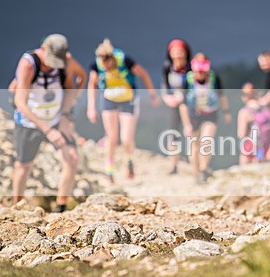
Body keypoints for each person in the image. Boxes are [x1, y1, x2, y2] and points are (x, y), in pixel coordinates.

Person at [11, 34, 79, 212]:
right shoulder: (28, 64)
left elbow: (74, 83)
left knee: (71, 158)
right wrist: (47, 129)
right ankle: (17, 207)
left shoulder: (67, 61)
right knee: (23, 166)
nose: (52, 65)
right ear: (43, 49)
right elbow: (21, 103)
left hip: (57, 119)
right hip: (29, 123)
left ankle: (60, 208)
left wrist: (65, 116)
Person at [87, 38, 160, 183]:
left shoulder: (125, 61)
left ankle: (129, 161)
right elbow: (92, 84)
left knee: (126, 138)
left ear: (112, 59)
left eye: (107, 63)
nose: (105, 66)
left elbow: (143, 74)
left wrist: (152, 94)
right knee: (111, 137)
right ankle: (109, 170)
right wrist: (91, 107)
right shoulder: (97, 65)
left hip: (128, 99)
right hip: (109, 99)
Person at [179, 53, 231, 183]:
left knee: (206, 141)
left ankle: (203, 168)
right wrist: (186, 124)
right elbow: (183, 104)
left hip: (210, 114)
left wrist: (226, 111)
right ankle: (195, 174)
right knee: (194, 146)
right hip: (193, 115)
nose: (200, 74)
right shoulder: (188, 80)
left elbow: (221, 95)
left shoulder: (213, 78)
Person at [161, 38, 192, 174]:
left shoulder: (191, 68)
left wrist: (183, 96)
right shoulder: (168, 67)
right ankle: (173, 165)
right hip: (174, 104)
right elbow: (165, 86)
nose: (178, 54)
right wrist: (167, 97)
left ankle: (194, 163)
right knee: (173, 133)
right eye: (174, 51)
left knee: (190, 132)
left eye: (180, 51)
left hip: (189, 104)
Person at [237, 82, 270, 164]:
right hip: (265, 145)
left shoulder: (244, 112)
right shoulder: (265, 108)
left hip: (250, 146)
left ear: (244, 97)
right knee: (261, 164)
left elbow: (241, 134)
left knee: (246, 169)